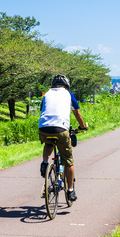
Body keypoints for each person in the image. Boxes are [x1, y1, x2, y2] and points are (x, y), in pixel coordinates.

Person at [38, 74, 88, 202]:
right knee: (68, 161)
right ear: (66, 86)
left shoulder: (47, 95)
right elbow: (77, 113)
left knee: (48, 143)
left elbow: (43, 110)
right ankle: (70, 190)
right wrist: (82, 126)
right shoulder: (68, 94)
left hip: (44, 128)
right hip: (61, 129)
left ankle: (45, 163)